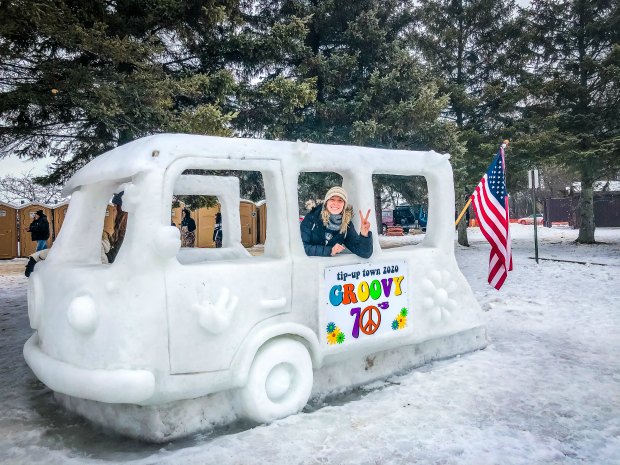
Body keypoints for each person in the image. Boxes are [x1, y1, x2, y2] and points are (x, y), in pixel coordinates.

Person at [300, 186, 373, 258]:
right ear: (326, 202)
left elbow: (364, 253)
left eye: (340, 200)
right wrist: (329, 251)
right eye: (332, 199)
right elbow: (301, 248)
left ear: (344, 204)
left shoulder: (346, 224)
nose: (336, 203)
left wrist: (364, 235)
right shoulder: (312, 218)